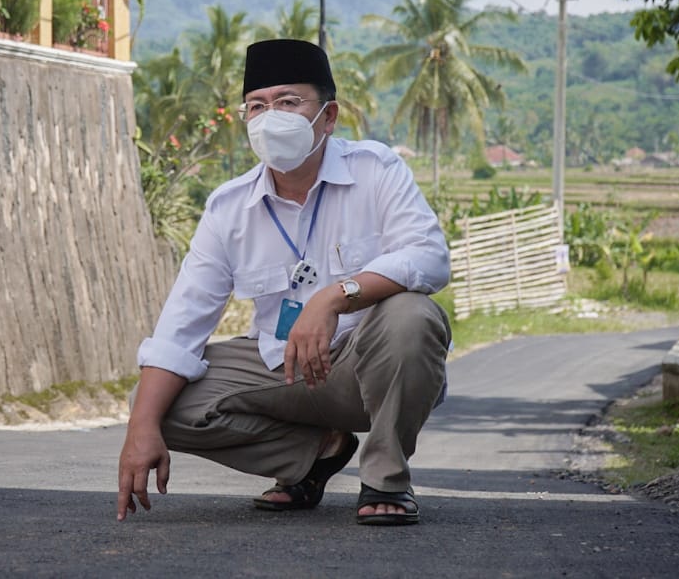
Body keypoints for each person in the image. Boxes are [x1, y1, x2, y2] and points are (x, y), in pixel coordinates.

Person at [116, 38, 452, 527]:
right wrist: (139, 431)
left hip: (364, 369)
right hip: (283, 370)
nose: (271, 116)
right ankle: (318, 451)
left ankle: (385, 479)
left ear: (329, 116)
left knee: (412, 315)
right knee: (153, 403)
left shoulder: (376, 170)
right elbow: (180, 327)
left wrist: (335, 297)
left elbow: (429, 257)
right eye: (258, 105)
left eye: (289, 102)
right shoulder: (229, 208)